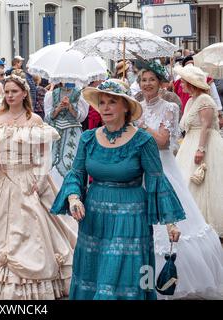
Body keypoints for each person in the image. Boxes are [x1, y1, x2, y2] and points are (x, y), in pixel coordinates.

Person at [51, 79, 185, 300]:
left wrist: (171, 223)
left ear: (126, 106)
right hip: (94, 217)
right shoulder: (87, 138)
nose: (105, 107)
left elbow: (156, 180)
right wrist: (74, 198)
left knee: (126, 274)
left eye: (112, 102)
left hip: (131, 218)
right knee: (94, 273)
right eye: (102, 102)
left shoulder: (143, 141)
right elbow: (76, 174)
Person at [0, 75, 77, 300]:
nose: (10, 95)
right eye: (7, 92)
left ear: (24, 93)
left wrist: (40, 180)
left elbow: (44, 153)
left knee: (31, 224)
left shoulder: (33, 119)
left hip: (26, 176)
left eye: (14, 91)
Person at [137, 62, 223, 299]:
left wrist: (141, 125)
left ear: (161, 83)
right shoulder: (135, 107)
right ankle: (143, 280)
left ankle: (171, 277)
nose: (147, 84)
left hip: (162, 167)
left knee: (170, 222)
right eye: (143, 80)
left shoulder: (170, 108)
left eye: (151, 80)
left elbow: (163, 142)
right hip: (139, 170)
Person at [175, 64, 223, 238]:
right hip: (189, 142)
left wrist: (201, 149)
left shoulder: (205, 100)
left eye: (183, 82)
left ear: (191, 83)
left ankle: (207, 222)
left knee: (203, 183)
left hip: (204, 144)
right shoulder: (191, 100)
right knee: (188, 180)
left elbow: (205, 126)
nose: (180, 85)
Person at [44, 83, 89, 188]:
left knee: (72, 162)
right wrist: (58, 108)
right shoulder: (52, 94)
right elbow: (48, 117)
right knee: (51, 162)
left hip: (73, 132)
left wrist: (70, 107)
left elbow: (81, 117)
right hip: (55, 132)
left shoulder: (80, 94)